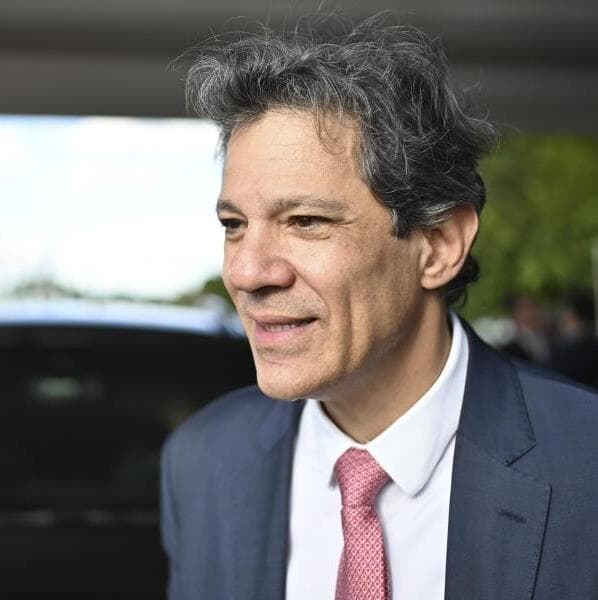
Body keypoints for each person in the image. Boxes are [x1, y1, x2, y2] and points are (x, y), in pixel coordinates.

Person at [160, 15, 598, 600]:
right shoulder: (202, 462)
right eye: (234, 224)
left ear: (439, 245)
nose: (245, 272)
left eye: (306, 221)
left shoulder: (586, 464)